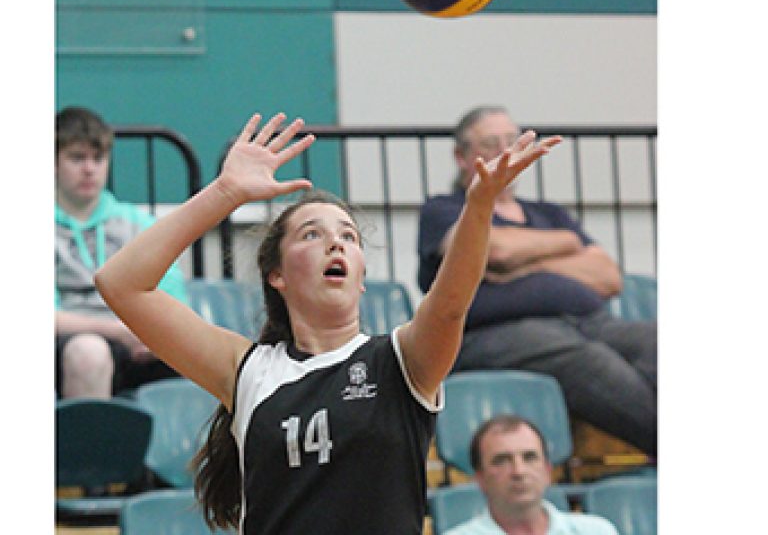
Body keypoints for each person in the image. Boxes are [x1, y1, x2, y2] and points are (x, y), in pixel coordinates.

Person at [94, 111, 561, 534]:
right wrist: (225, 193)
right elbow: (121, 283)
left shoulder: (399, 362)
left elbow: (451, 303)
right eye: (312, 234)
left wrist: (478, 208)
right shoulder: (248, 370)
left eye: (348, 237)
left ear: (361, 277)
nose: (335, 245)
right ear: (276, 275)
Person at [418, 106, 657, 456]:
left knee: (658, 340)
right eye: (490, 142)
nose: (506, 150)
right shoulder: (446, 209)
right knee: (590, 360)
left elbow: (609, 277)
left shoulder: (548, 212)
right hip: (498, 333)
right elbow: (496, 250)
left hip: (590, 321)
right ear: (462, 157)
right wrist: (565, 247)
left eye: (511, 140)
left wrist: (528, 262)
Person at [55, 106, 187, 398]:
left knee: (202, 350)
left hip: (136, 342)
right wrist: (117, 331)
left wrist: (151, 334)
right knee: (88, 352)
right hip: (68, 346)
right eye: (77, 158)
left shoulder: (137, 224)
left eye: (98, 158)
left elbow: (172, 300)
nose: (89, 169)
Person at [444, 414, 619, 535]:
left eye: (530, 457)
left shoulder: (597, 531)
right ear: (479, 478)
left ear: (547, 470)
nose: (519, 471)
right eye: (502, 460)